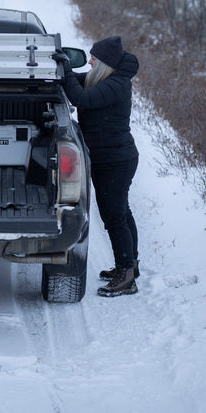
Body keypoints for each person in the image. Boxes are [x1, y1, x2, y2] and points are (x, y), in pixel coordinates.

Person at [55, 36, 140, 297]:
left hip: (115, 160)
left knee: (114, 217)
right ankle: (130, 266)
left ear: (105, 63)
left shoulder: (116, 85)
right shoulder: (103, 80)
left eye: (94, 58)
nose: (90, 61)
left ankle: (126, 276)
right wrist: (59, 70)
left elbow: (79, 97)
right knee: (121, 212)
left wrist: (66, 67)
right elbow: (77, 84)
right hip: (112, 157)